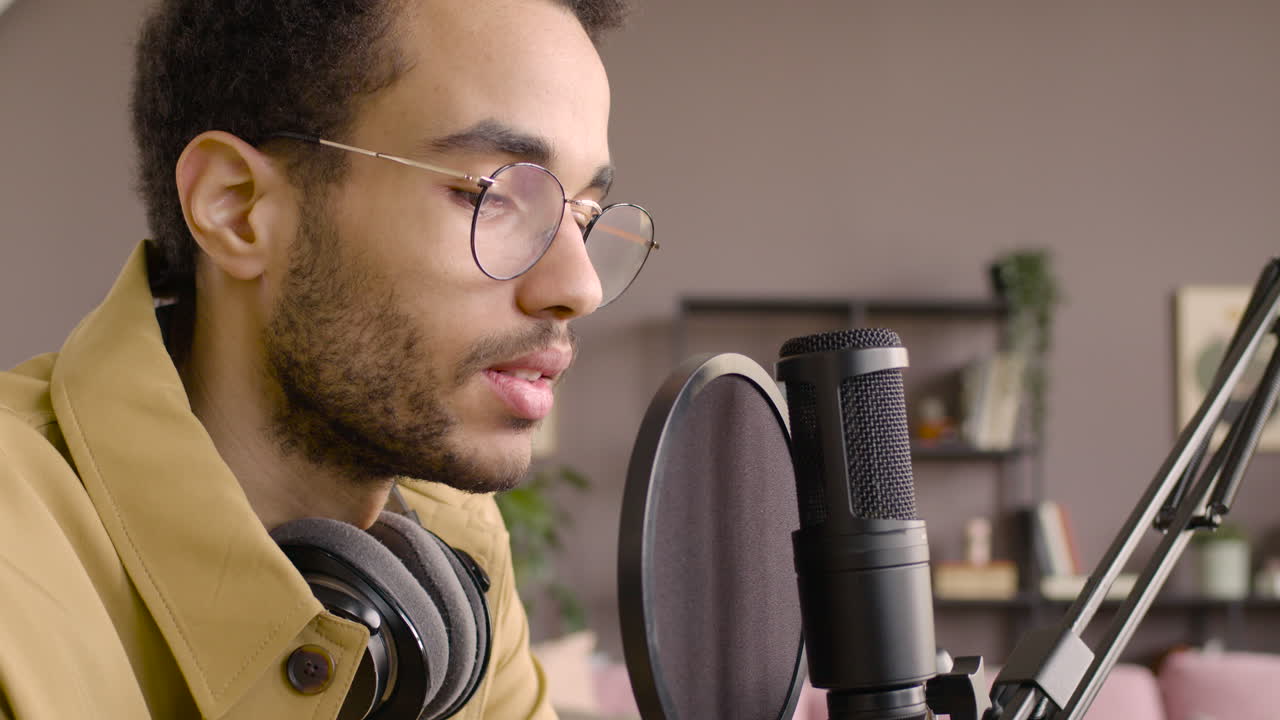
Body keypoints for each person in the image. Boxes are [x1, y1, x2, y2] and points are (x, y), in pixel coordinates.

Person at [0, 0, 656, 717]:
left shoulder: (449, 536)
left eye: (584, 214)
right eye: (491, 195)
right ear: (238, 208)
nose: (580, 287)